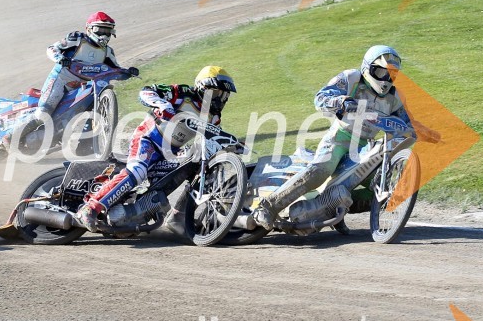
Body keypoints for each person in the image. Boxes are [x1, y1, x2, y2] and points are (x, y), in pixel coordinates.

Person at [251, 45, 412, 234]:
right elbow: (320, 97)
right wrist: (340, 101)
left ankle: (335, 210)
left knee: (384, 188)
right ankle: (268, 207)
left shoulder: (397, 97)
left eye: (391, 75)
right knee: (320, 171)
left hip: (366, 147)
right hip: (339, 139)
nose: (385, 80)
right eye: (380, 72)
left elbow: (406, 124)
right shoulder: (351, 78)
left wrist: (424, 133)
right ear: (367, 68)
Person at [74, 66, 237, 230]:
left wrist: (230, 147)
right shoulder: (183, 93)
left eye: (225, 95)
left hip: (171, 152)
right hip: (147, 139)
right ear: (203, 87)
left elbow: (212, 138)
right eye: (218, 93)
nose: (221, 99)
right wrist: (163, 104)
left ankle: (177, 216)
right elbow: (146, 91)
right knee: (138, 171)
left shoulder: (214, 117)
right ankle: (91, 207)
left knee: (197, 168)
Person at [14, 11, 123, 142]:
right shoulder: (76, 38)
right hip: (61, 80)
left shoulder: (108, 52)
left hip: (83, 88)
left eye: (107, 31)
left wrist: (128, 72)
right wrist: (59, 58)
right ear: (88, 28)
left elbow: (116, 69)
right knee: (43, 113)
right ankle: (11, 136)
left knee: (80, 114)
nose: (104, 35)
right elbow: (52, 48)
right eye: (100, 30)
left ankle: (84, 147)